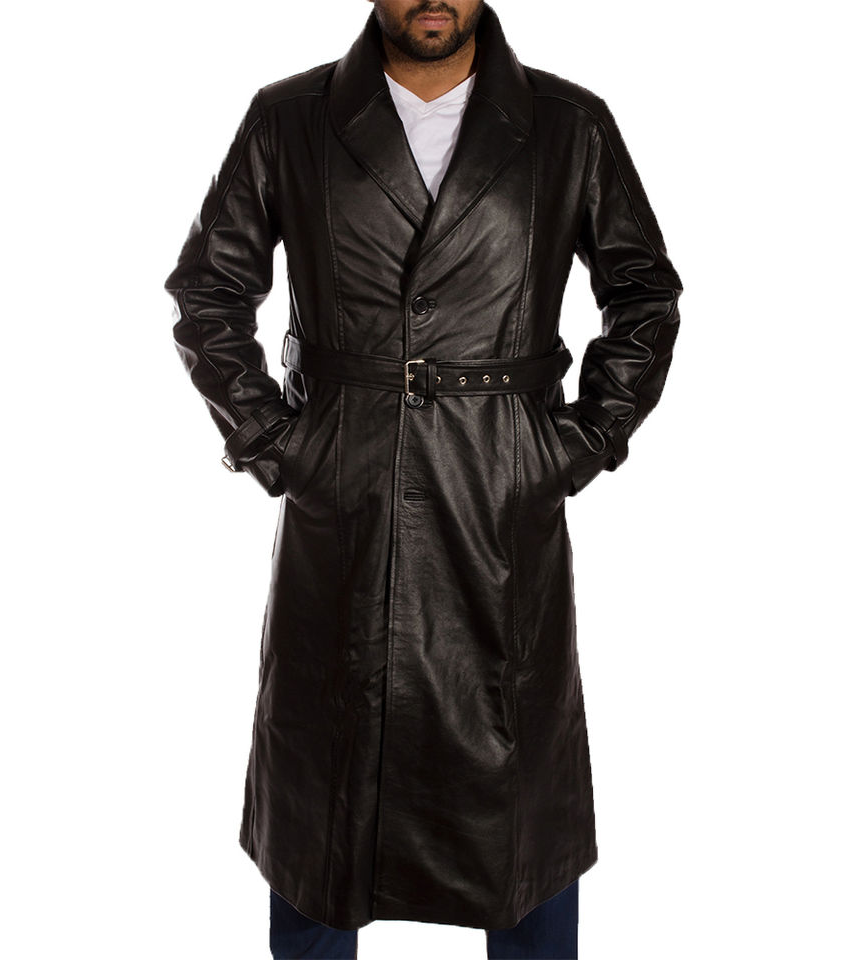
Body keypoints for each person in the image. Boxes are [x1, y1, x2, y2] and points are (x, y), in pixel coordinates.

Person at [163, 2, 682, 957]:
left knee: (519, 816)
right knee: (325, 801)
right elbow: (209, 290)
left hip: (498, 505)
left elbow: (644, 293)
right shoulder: (289, 118)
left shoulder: (569, 124)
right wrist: (278, 445)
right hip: (345, 504)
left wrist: (575, 446)